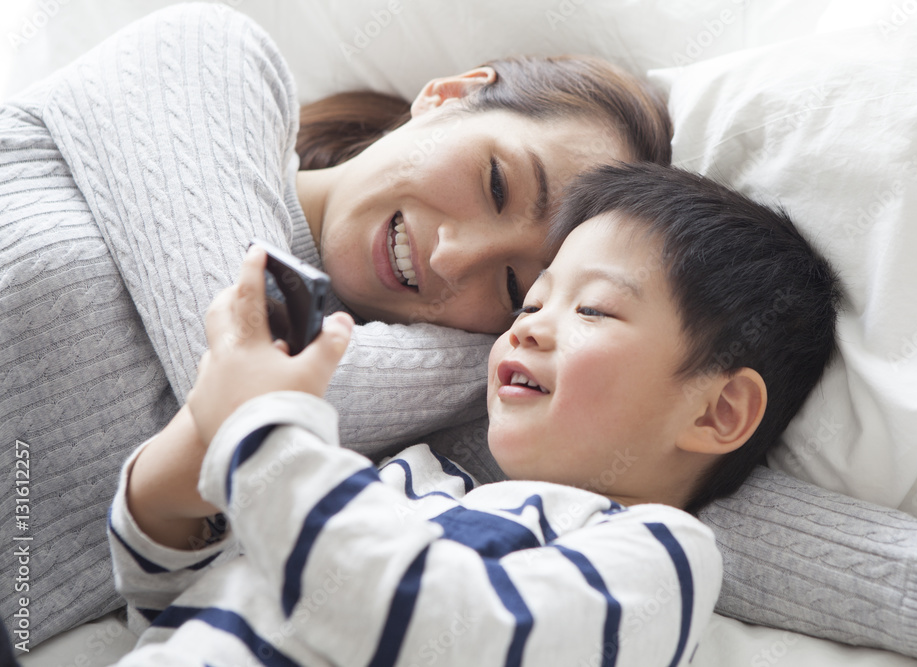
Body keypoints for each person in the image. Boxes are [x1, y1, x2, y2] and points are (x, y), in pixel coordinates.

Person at [0, 3, 673, 646]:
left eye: (514, 286)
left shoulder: (425, 437)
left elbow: (676, 478)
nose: (452, 255)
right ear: (450, 95)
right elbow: (256, 361)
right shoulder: (209, 61)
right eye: (496, 183)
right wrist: (523, 351)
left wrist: (609, 360)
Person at [106, 162, 842, 665]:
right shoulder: (409, 478)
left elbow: (430, 631)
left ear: (718, 410)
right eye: (530, 300)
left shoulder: (659, 557)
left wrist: (263, 430)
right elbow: (175, 603)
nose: (525, 327)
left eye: (594, 308)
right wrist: (200, 440)